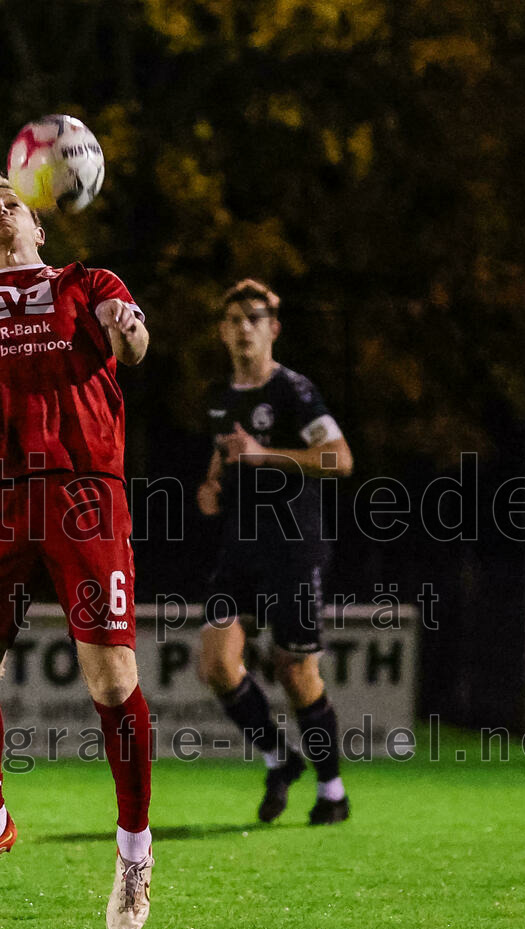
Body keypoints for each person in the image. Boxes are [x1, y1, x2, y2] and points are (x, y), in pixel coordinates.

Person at [0, 176, 153, 929]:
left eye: (12, 201)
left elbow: (135, 347)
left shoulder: (89, 283)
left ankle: (133, 856)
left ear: (38, 229)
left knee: (113, 681)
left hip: (86, 489)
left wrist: (126, 324)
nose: (0, 207)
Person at [196, 278, 354, 825]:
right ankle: (278, 759)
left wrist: (267, 455)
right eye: (235, 319)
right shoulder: (222, 399)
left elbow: (340, 459)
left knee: (295, 672)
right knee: (216, 664)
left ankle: (332, 791)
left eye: (255, 318)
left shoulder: (295, 392)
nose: (244, 328)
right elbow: (225, 457)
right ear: (222, 330)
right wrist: (212, 484)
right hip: (240, 550)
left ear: (273, 329)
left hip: (294, 550)